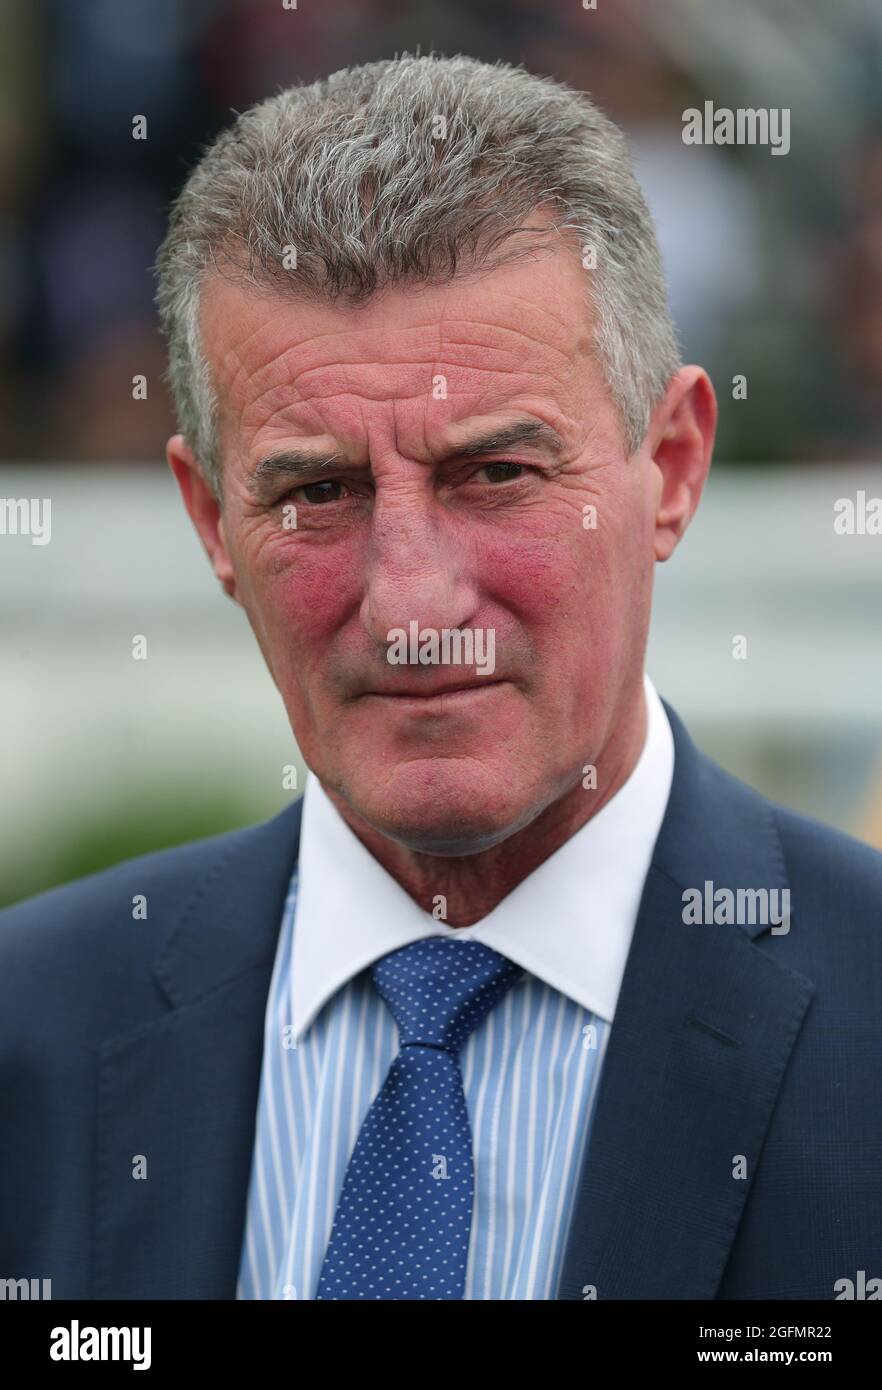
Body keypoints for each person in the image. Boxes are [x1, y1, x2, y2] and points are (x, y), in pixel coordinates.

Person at [2, 53, 880, 1302]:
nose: (412, 603)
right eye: (318, 492)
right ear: (210, 523)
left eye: (497, 476)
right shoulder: (28, 1042)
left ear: (672, 467)